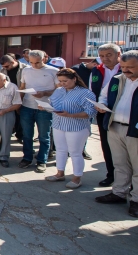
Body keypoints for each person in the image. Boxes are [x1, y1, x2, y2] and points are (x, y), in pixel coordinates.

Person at [95, 50, 138, 217]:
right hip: (115, 127)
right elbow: (103, 96)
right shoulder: (117, 79)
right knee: (120, 163)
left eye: (131, 67)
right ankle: (119, 193)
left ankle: (135, 200)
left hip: (134, 130)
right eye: (124, 66)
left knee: (137, 167)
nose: (126, 70)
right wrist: (101, 104)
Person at [42, 69, 97, 189]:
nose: (62, 83)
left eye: (65, 81)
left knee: (75, 153)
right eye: (60, 81)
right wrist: (45, 107)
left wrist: (71, 115)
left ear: (74, 79)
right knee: (61, 150)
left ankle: (77, 178)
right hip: (58, 124)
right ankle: (59, 173)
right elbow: (52, 104)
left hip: (76, 127)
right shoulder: (58, 90)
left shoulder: (85, 93)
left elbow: (91, 112)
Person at [17, 50, 59, 172]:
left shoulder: (53, 71)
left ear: (44, 58)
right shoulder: (26, 70)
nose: (34, 65)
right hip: (27, 107)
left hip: (45, 108)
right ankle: (27, 158)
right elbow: (22, 87)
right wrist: (19, 102)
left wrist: (45, 93)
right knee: (27, 135)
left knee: (44, 137)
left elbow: (59, 90)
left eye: (37, 62)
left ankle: (42, 160)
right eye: (31, 62)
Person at [89, 44, 122, 187]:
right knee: (106, 144)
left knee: (123, 148)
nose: (105, 59)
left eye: (108, 55)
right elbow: (92, 90)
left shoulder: (125, 69)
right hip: (103, 112)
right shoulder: (97, 70)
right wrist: (97, 105)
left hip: (123, 113)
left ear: (118, 54)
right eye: (101, 56)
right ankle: (111, 175)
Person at [1, 54, 28, 143]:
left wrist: (19, 99)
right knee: (13, 117)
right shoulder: (3, 70)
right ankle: (14, 132)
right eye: (4, 66)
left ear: (13, 62)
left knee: (22, 118)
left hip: (23, 97)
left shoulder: (25, 69)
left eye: (7, 66)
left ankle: (21, 136)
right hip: (9, 98)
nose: (5, 68)